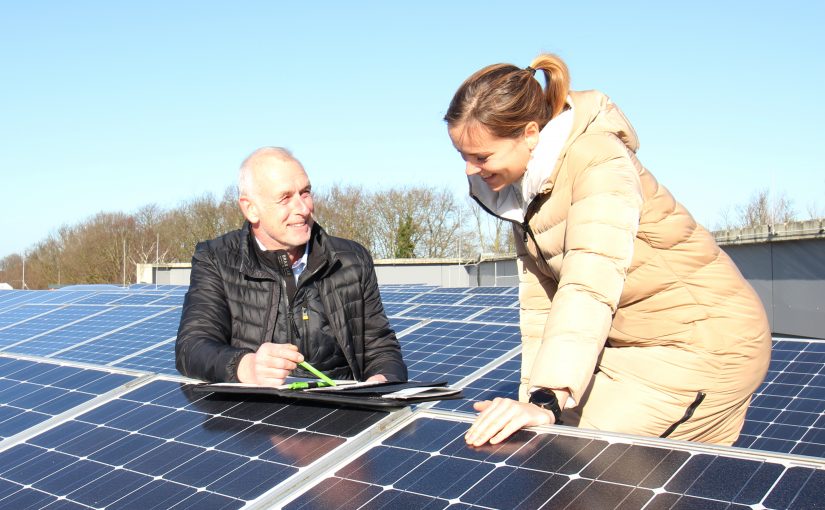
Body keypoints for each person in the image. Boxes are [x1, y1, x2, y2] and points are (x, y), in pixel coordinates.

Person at [445, 54, 770, 446]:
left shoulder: (596, 160)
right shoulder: (523, 192)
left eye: (481, 156)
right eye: (463, 156)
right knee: (555, 448)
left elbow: (588, 283)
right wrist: (533, 399)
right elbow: (542, 304)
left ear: (530, 133)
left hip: (700, 346)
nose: (469, 169)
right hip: (630, 347)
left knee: (593, 462)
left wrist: (548, 396)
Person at [175, 147, 407, 386]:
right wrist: (246, 366)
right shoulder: (216, 259)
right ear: (250, 208)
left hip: (343, 412)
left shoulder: (351, 260)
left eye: (305, 193)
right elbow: (191, 348)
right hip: (252, 414)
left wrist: (383, 379)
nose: (303, 209)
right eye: (285, 198)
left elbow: (381, 347)